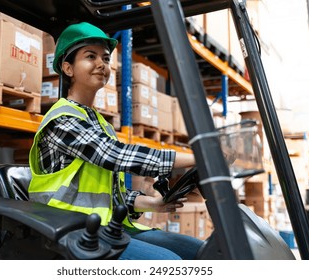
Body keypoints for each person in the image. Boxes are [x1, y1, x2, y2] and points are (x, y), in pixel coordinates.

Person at [28, 22, 204, 260]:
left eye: (106, 58)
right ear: (68, 68)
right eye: (91, 56)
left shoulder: (101, 124)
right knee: (170, 264)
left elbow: (109, 197)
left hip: (108, 227)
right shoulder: (63, 120)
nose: (102, 64)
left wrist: (153, 204)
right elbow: (115, 155)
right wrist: (201, 156)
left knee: (200, 251)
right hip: (72, 232)